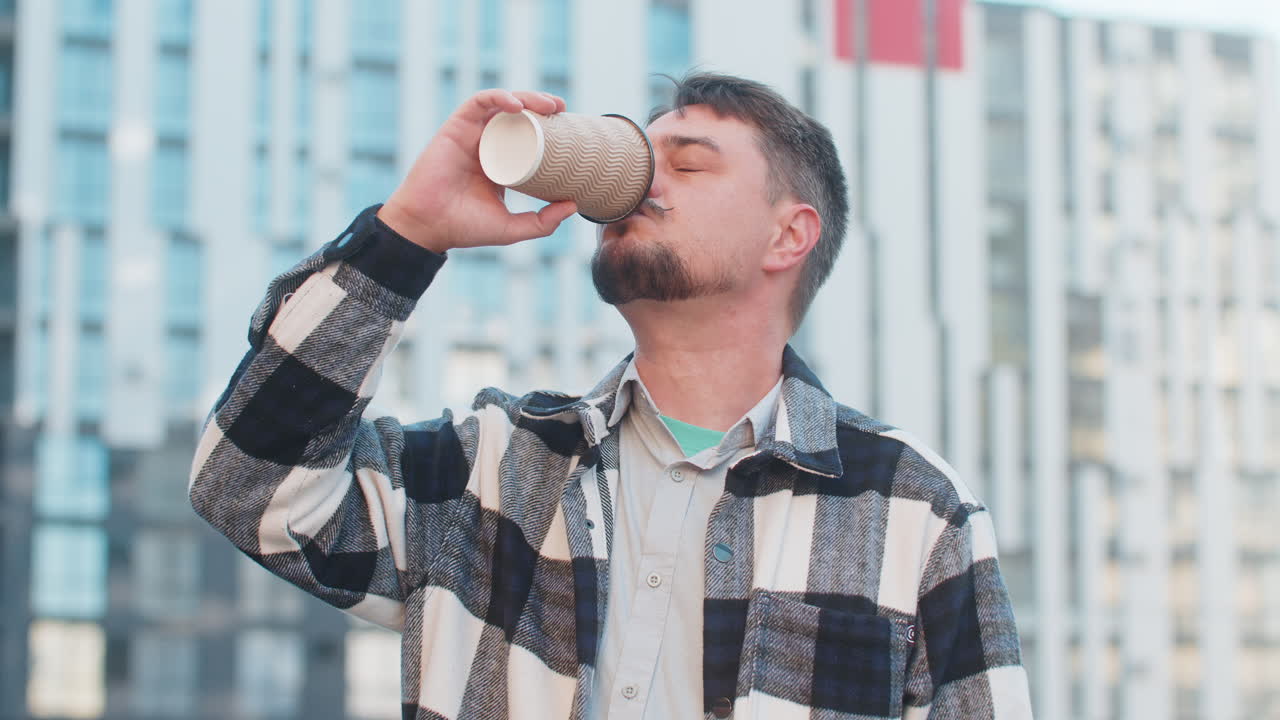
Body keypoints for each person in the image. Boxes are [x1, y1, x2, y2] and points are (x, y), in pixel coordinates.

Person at [190, 72, 1032, 720]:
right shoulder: (492, 466)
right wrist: (410, 229)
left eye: (687, 164)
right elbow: (246, 485)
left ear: (789, 234)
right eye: (633, 159)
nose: (637, 185)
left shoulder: (917, 511)